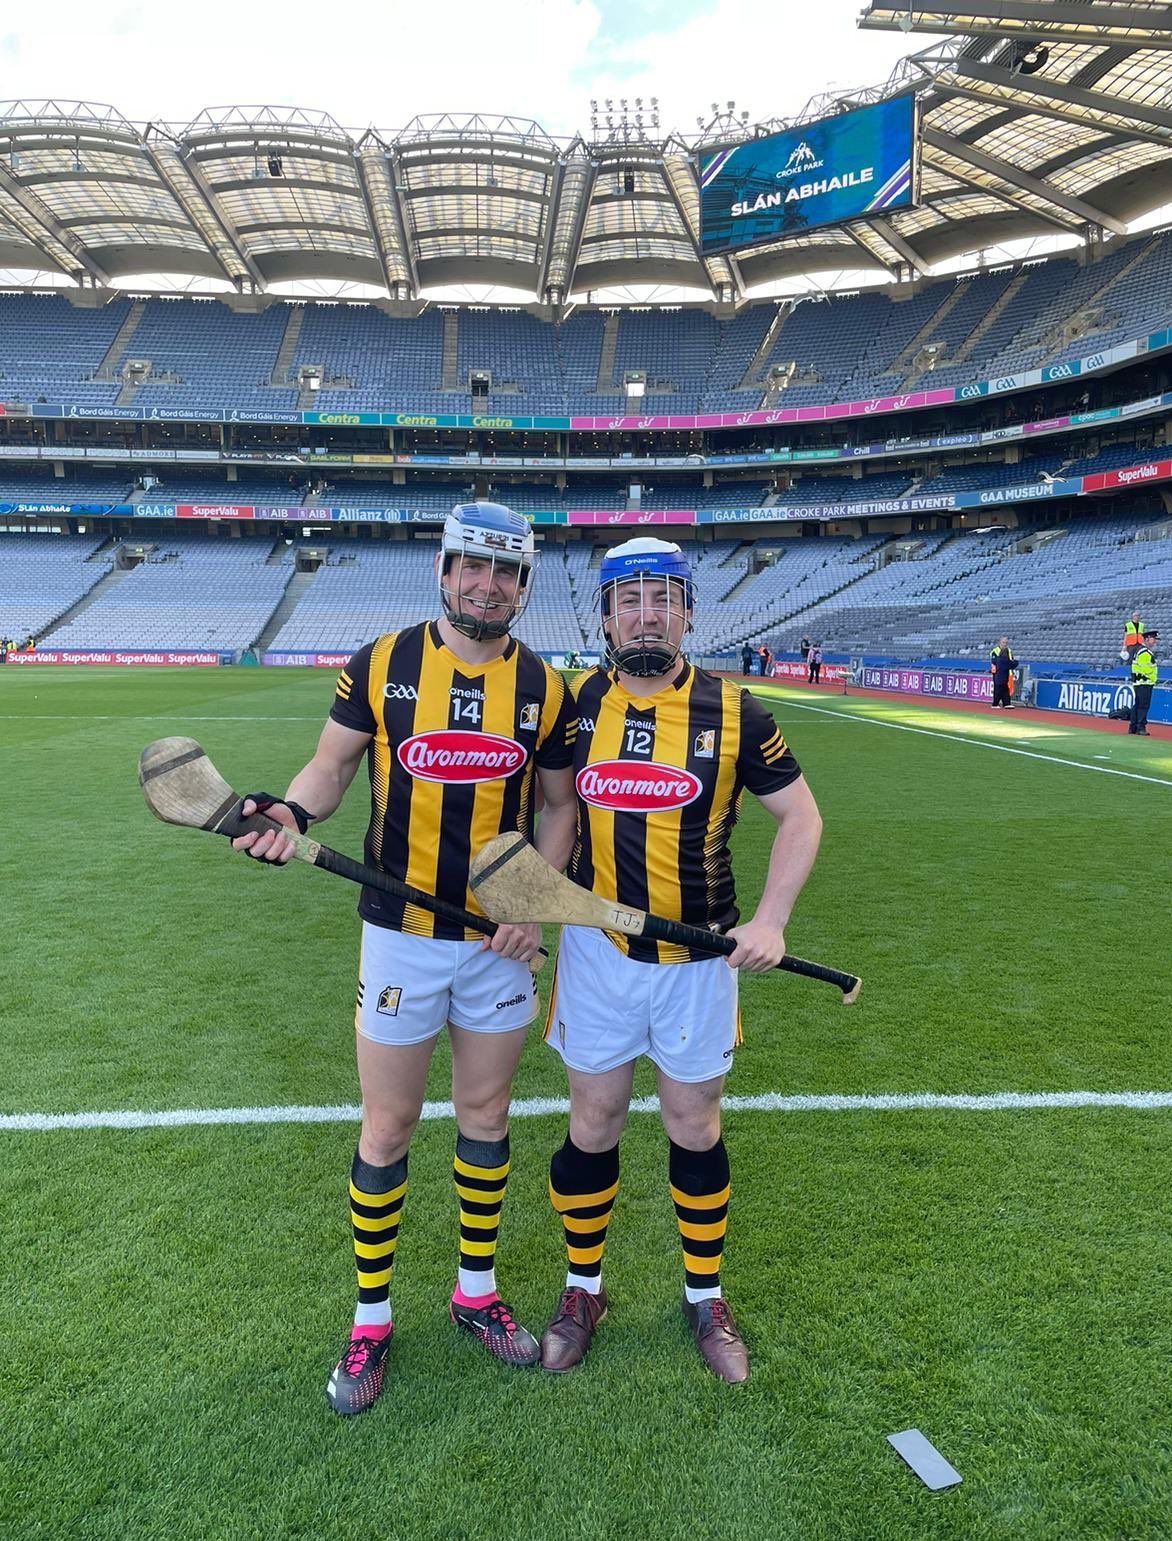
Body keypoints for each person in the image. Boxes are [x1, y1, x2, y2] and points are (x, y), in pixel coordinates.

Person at [231, 502, 578, 1415]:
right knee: (386, 1130)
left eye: (505, 572)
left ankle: (474, 1294)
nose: (486, 584)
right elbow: (331, 768)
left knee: (486, 1116)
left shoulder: (545, 687)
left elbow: (556, 808)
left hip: (495, 943)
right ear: (442, 568)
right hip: (398, 934)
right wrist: (293, 816)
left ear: (523, 586)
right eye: (473, 566)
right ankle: (373, 1317)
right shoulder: (380, 665)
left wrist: (532, 903)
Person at [539, 537, 823, 1385]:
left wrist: (771, 920)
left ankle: (706, 1294)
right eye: (628, 601)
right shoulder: (572, 705)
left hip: (700, 962)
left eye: (662, 599)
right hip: (598, 954)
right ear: (605, 617)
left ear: (689, 612)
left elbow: (801, 820)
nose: (646, 614)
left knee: (694, 1127)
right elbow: (545, 817)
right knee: (592, 1124)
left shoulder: (739, 713)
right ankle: (582, 1289)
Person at [1128, 628, 1159, 734]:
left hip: (1139, 682)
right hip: (1145, 683)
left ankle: (1133, 727)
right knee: (1143, 706)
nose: (1155, 641)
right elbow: (1146, 668)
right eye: (1153, 638)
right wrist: (1152, 678)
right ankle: (1140, 727)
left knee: (1137, 705)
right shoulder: (1145, 652)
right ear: (1147, 639)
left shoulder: (1140, 650)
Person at [990, 637, 1017, 707]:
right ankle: (995, 703)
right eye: (1003, 642)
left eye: (1006, 643)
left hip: (1007, 672)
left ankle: (1006, 703)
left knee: (1005, 688)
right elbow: (994, 661)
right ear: (1000, 642)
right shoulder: (995, 651)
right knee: (998, 688)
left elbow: (1012, 659)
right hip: (998, 673)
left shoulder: (1009, 650)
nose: (1005, 644)